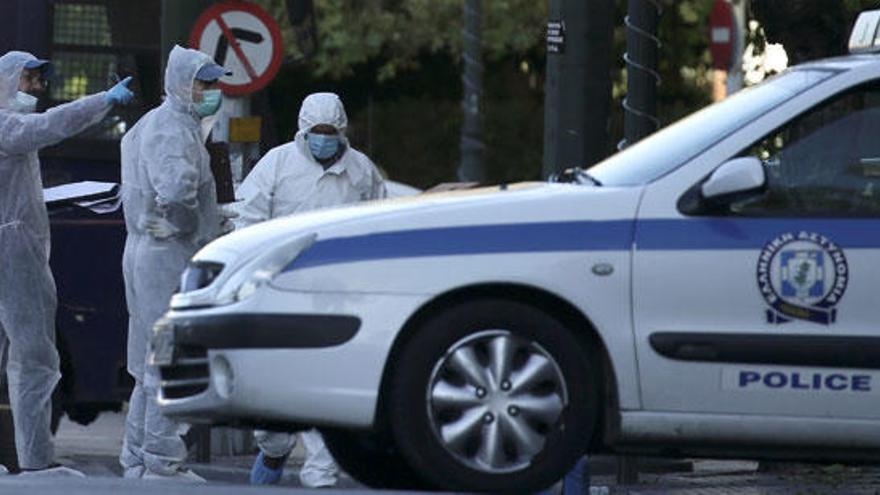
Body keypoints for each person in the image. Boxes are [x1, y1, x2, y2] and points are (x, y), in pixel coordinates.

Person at [236, 92, 387, 487]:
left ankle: (320, 474)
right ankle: (273, 448)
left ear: (342, 131)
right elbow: (247, 220)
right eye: (317, 132)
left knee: (323, 390)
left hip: (339, 296)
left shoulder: (361, 171)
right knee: (275, 391)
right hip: (283, 289)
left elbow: (378, 226)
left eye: (330, 132)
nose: (324, 139)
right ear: (303, 131)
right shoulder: (277, 165)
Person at [0, 50, 132, 476]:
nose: (37, 88)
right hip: (13, 252)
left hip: (15, 245)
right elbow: (51, 126)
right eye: (30, 80)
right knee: (35, 358)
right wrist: (103, 100)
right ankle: (36, 462)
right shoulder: (7, 126)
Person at [118, 45, 228, 482]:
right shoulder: (173, 130)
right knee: (168, 356)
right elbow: (177, 192)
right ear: (183, 83)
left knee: (151, 357)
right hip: (167, 256)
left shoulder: (158, 123)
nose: (212, 91)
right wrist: (189, 225)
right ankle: (162, 462)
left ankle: (138, 458)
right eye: (205, 82)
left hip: (148, 252)